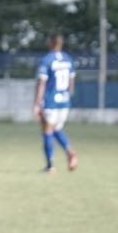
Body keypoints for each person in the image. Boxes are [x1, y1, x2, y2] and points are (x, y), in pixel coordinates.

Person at [33, 33, 78, 173]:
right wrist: (68, 96)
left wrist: (37, 103)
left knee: (47, 131)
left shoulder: (47, 60)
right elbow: (71, 82)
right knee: (55, 129)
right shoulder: (68, 59)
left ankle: (50, 166)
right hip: (64, 101)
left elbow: (42, 82)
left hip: (50, 101)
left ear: (51, 43)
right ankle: (69, 150)